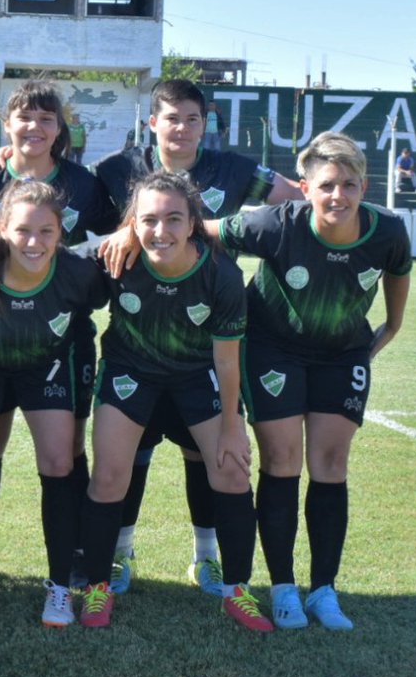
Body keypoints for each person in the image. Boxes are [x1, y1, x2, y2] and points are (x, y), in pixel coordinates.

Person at [94, 78, 303, 598]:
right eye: (172, 118)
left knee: (204, 456)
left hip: (207, 337)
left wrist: (221, 231)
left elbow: (295, 204)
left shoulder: (231, 169)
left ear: (203, 125)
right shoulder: (119, 169)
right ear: (152, 123)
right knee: (128, 458)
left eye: (192, 119)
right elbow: (65, 201)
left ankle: (207, 559)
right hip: (139, 341)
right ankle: (118, 555)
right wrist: (124, 229)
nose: (182, 129)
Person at [214, 131, 411, 630]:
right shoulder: (273, 224)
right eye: (326, 185)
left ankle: (324, 589)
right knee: (282, 461)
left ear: (364, 187)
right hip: (272, 350)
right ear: (305, 188)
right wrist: (134, 232)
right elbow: (203, 228)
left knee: (330, 463)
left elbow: (396, 290)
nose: (337, 196)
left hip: (342, 355)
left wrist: (383, 335)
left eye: (348, 184)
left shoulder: (388, 231)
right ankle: (283, 588)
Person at [77, 172, 271, 632]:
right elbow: (51, 259)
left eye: (173, 219)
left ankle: (237, 590)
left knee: (230, 469)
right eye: (148, 220)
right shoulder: (116, 256)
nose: (160, 231)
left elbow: (227, 361)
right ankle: (97, 586)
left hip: (195, 374)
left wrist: (231, 423)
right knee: (108, 475)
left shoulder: (221, 274)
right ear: (132, 223)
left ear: (192, 224)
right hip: (130, 373)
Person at [0, 79, 118, 590]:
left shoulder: (84, 185)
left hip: (58, 341)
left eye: (47, 119)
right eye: (25, 117)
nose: (35, 127)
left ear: (60, 128)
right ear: (8, 124)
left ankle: (76, 553)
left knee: (64, 452)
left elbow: (110, 244)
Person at [0, 179, 107, 627]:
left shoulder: (78, 272)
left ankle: (59, 586)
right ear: (1, 230)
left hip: (46, 367)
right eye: (22, 231)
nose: (33, 242)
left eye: (46, 232)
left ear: (61, 233)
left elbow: (120, 258)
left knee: (59, 462)